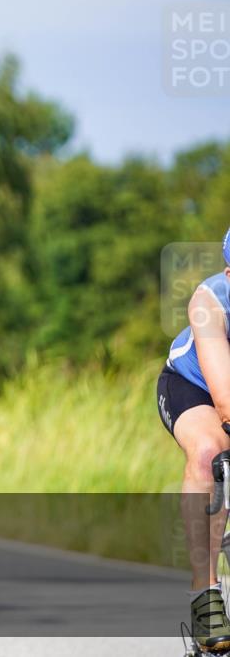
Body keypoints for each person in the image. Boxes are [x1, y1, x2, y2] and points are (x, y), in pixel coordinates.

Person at [158, 226, 230, 652]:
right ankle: (205, 596)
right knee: (210, 455)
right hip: (195, 388)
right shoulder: (209, 301)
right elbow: (226, 404)